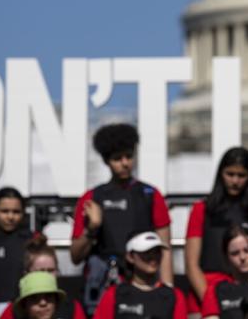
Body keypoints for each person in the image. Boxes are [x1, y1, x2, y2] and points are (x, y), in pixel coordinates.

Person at [70, 123, 173, 312]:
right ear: (106, 161)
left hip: (145, 287)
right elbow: (75, 256)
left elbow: (165, 249)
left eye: (129, 156)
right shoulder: (92, 198)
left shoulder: (151, 195)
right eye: (118, 158)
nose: (125, 163)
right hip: (103, 290)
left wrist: (168, 290)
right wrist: (92, 228)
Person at [185, 148, 248, 313]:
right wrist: (215, 303)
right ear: (220, 174)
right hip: (205, 295)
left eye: (241, 175)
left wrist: (246, 300)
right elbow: (191, 265)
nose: (235, 180)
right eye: (230, 174)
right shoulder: (201, 209)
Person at [93, 231, 186, 319]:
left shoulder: (174, 296)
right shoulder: (114, 294)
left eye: (157, 252)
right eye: (146, 252)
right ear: (130, 256)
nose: (153, 258)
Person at [0, 236, 87, 319]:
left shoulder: (71, 307)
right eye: (40, 271)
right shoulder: (12, 311)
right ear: (26, 274)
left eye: (50, 270)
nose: (46, 276)